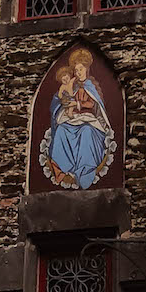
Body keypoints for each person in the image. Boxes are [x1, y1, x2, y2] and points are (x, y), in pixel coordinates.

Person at [46, 47, 112, 188]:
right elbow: (58, 101)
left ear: (87, 69)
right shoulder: (72, 86)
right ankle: (61, 169)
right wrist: (63, 101)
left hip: (89, 121)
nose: (78, 72)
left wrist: (77, 104)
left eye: (81, 69)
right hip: (73, 120)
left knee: (86, 131)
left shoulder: (91, 86)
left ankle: (84, 169)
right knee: (62, 130)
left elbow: (94, 104)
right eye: (76, 70)